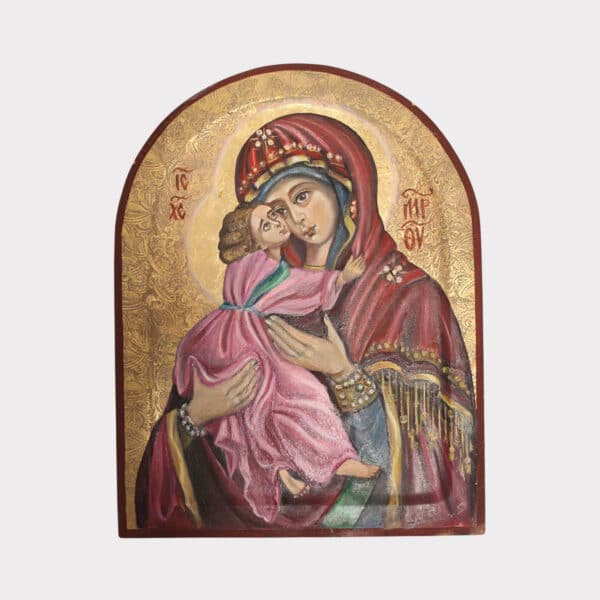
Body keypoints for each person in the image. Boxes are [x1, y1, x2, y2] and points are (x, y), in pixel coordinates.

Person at [136, 113, 477, 531]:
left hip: (359, 522)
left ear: (345, 189)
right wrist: (196, 415)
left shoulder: (409, 298)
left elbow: (436, 466)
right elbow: (177, 460)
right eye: (278, 210)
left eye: (303, 196)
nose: (295, 219)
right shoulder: (253, 300)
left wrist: (345, 375)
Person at [174, 202, 379, 524]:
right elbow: (298, 285)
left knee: (259, 412)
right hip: (242, 342)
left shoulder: (267, 265)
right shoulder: (254, 265)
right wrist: (340, 279)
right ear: (253, 242)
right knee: (299, 396)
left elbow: (296, 285)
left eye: (274, 216)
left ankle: (281, 471)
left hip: (239, 339)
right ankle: (336, 460)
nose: (279, 223)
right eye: (266, 225)